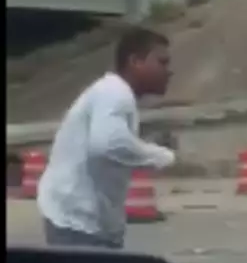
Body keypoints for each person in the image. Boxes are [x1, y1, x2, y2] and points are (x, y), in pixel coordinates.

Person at [37, 27, 176, 249]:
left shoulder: (113, 93)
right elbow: (108, 144)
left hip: (81, 222)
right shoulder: (115, 93)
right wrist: (160, 156)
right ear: (136, 61)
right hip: (78, 226)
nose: (169, 71)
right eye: (162, 62)